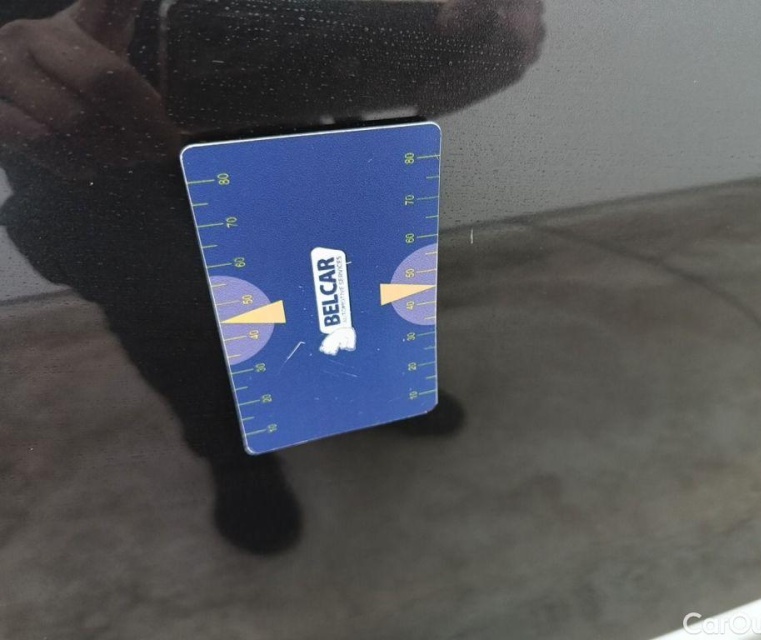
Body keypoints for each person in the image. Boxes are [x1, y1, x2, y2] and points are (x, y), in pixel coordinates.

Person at [0, 0, 544, 554]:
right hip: (58, 51)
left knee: (335, 250)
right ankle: (232, 455)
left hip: (286, 38)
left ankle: (359, 389)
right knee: (156, 295)